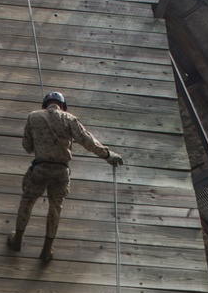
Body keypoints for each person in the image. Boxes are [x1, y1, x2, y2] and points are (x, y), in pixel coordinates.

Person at [7, 91, 124, 264]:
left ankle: (17, 239)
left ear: (45, 104)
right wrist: (107, 155)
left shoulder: (33, 117)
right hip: (61, 171)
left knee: (27, 201)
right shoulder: (70, 119)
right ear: (62, 106)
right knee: (55, 208)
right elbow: (87, 140)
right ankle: (46, 249)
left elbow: (27, 147)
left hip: (40, 168)